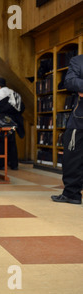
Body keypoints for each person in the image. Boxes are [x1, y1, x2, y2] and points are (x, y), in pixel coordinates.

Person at [51, 54, 83, 205]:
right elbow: (70, 81)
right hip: (80, 119)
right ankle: (72, 193)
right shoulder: (78, 60)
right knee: (72, 156)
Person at [0, 77, 24, 170]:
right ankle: (14, 164)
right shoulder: (12, 92)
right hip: (13, 121)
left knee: (2, 140)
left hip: (3, 120)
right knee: (12, 141)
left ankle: (2, 163)